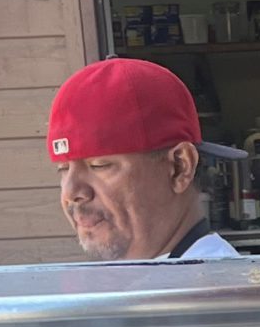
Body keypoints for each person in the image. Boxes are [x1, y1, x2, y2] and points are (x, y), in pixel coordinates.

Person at [47, 57, 240, 261]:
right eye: (63, 168)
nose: (71, 193)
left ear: (179, 167)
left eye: (99, 165)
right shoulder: (146, 275)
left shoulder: (216, 280)